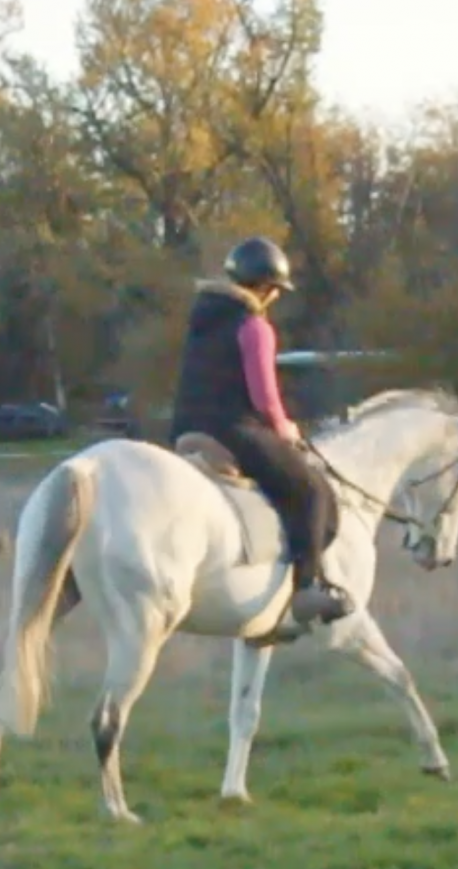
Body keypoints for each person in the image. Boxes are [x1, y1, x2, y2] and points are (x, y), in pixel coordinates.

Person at [169, 236, 355, 627]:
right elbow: (264, 398)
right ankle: (305, 590)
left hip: (186, 426)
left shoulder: (203, 318)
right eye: (276, 292)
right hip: (232, 429)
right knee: (311, 490)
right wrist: (287, 429)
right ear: (267, 287)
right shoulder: (253, 326)